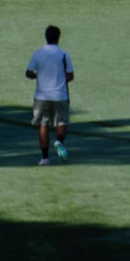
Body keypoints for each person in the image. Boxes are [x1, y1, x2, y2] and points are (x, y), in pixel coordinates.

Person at [26, 24, 74, 164]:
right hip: (60, 94)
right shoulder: (64, 54)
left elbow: (28, 73)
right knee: (62, 121)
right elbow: (70, 76)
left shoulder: (38, 53)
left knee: (43, 124)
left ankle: (45, 157)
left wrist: (38, 77)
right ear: (58, 38)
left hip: (41, 96)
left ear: (46, 37)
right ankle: (59, 142)